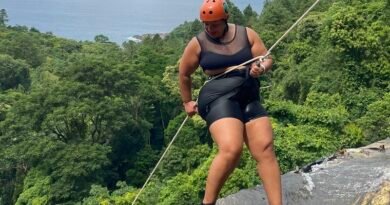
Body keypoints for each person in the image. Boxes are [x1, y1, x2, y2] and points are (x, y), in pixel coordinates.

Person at [179, 0, 282, 204]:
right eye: (206, 25)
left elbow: (267, 57)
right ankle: (208, 202)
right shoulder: (198, 43)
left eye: (214, 24)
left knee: (265, 148)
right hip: (218, 97)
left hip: (248, 94)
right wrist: (187, 101)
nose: (210, 29)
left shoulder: (247, 34)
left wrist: (261, 67)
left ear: (225, 19)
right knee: (231, 148)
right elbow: (184, 74)